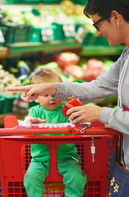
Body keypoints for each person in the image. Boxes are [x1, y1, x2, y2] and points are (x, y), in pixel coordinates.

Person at [9, 0, 129, 175]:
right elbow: (98, 87)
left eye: (97, 24)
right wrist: (51, 88)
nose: (98, 32)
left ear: (115, 17)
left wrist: (101, 114)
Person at [23, 68, 86, 197]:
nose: (51, 99)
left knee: (76, 177)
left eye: (55, 94)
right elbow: (26, 122)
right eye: (45, 95)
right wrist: (31, 122)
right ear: (35, 98)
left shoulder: (67, 110)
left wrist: (75, 105)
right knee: (30, 178)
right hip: (40, 158)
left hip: (67, 157)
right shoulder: (35, 111)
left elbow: (80, 121)